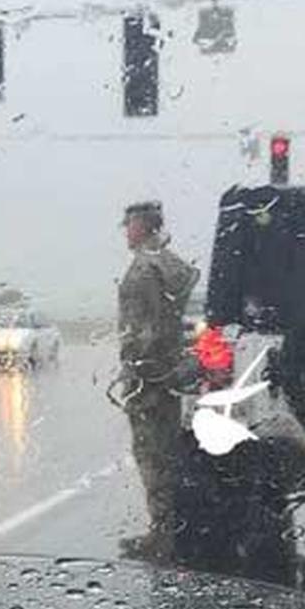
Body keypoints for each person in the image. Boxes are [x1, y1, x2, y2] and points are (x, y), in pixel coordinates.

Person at [115, 200, 199, 559]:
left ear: (143, 225)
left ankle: (163, 533)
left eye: (130, 224)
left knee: (151, 453)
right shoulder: (169, 263)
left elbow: (142, 330)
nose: (126, 231)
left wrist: (137, 370)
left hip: (150, 376)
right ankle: (173, 527)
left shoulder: (143, 270)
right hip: (169, 371)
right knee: (167, 450)